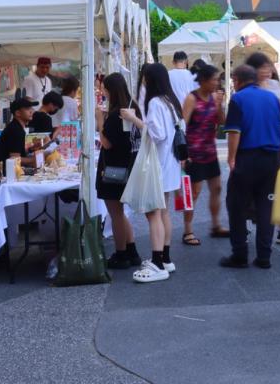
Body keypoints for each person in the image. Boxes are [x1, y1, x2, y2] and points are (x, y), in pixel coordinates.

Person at [121, 63, 183, 283]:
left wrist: (133, 119)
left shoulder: (156, 102)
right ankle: (164, 257)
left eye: (145, 78)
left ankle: (157, 262)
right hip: (170, 163)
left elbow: (157, 134)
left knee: (153, 212)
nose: (143, 82)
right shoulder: (171, 101)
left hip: (159, 164)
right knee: (163, 212)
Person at [220, 64, 280, 270]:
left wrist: (231, 159)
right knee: (266, 207)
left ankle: (240, 254)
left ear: (237, 80)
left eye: (233, 81)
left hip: (247, 159)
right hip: (271, 159)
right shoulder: (272, 98)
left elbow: (234, 132)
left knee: (236, 205)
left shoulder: (238, 99)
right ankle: (264, 256)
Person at [244, 52, 280, 246]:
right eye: (263, 68)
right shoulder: (246, 89)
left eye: (269, 67)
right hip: (254, 144)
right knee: (252, 188)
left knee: (277, 188)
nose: (267, 71)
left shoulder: (276, 86)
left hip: (276, 143)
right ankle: (243, 222)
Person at [94, 73, 143, 270]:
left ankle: (121, 253)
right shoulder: (132, 108)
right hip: (129, 165)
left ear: (110, 90)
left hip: (114, 169)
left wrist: (99, 121)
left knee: (115, 213)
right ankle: (131, 251)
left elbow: (106, 143)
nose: (103, 91)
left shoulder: (115, 115)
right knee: (121, 213)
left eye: (104, 88)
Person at [181, 64, 227, 245]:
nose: (217, 82)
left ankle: (216, 225)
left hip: (210, 151)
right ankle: (187, 231)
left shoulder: (214, 98)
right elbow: (182, 125)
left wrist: (219, 105)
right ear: (203, 81)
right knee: (194, 193)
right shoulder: (192, 98)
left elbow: (222, 122)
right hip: (195, 153)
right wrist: (183, 155)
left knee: (216, 188)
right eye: (214, 79)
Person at [0, 97, 44, 167]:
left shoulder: (16, 127)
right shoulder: (15, 130)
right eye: (27, 109)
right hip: (9, 173)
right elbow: (14, 158)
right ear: (18, 113)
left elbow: (16, 151)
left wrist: (31, 149)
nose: (31, 111)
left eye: (31, 108)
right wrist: (34, 159)